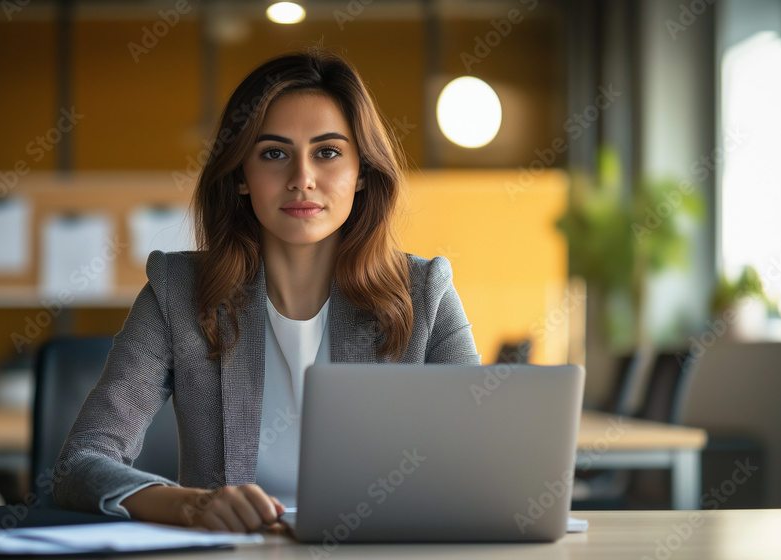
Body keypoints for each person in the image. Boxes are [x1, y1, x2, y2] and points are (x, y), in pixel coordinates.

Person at [53, 47, 481, 533]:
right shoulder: (176, 293)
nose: (302, 179)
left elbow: (481, 469)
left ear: (361, 173)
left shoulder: (425, 293)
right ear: (240, 175)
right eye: (274, 154)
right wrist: (191, 506)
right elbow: (80, 464)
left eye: (328, 152)